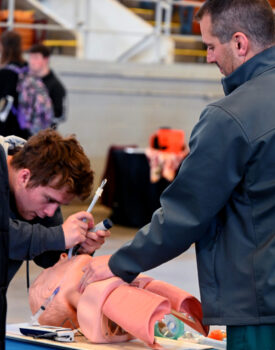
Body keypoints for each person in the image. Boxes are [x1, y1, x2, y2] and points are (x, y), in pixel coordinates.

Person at [79, 0, 275, 349]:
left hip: (261, 302)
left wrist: (120, 264)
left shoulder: (230, 118)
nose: (209, 58)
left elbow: (184, 215)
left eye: (211, 46)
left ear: (240, 43)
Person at [0, 128, 110, 349]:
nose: (51, 212)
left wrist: (80, 249)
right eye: (49, 199)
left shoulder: (40, 186)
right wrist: (59, 235)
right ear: (24, 176)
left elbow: (50, 257)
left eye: (59, 204)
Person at [28, 253, 207, 346]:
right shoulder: (96, 297)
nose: (63, 256)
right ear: (53, 293)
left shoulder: (107, 290)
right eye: (52, 269)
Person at [0, 31, 30, 139]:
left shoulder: (5, 73)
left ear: (4, 47)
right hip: (26, 124)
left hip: (8, 126)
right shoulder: (27, 68)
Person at [28, 44, 67, 128]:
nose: (31, 61)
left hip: (43, 136)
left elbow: (60, 116)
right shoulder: (27, 82)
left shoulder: (56, 86)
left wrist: (43, 107)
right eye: (30, 57)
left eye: (36, 58)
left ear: (46, 59)